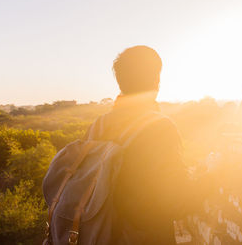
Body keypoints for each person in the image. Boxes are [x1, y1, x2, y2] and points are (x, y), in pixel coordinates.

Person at [83, 45, 204, 244]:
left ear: (121, 82)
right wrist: (211, 178)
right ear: (156, 80)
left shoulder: (97, 127)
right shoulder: (159, 128)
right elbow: (177, 202)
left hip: (98, 236)